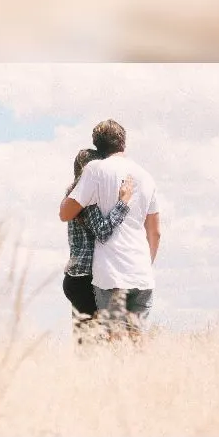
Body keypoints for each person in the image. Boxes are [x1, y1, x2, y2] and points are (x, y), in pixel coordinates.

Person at [59, 119, 161, 339]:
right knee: (133, 340)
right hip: (134, 272)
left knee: (100, 341)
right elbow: (155, 232)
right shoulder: (146, 176)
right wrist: (146, 261)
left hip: (101, 274)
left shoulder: (90, 180)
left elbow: (66, 214)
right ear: (123, 141)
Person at [63, 147, 134, 344]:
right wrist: (123, 202)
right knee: (98, 344)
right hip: (87, 280)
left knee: (85, 344)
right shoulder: (88, 198)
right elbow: (103, 231)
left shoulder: (73, 196)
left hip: (76, 278)